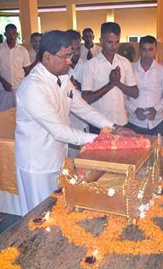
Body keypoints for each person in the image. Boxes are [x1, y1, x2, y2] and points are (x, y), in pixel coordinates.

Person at [15, 30, 134, 215]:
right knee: (39, 215)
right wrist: (103, 140)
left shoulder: (62, 78)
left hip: (57, 157)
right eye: (65, 56)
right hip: (38, 163)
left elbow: (83, 108)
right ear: (47, 56)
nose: (70, 61)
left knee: (57, 211)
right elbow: (60, 131)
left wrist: (114, 128)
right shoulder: (33, 87)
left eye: (70, 56)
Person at [82, 22, 139, 134]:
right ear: (101, 41)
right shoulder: (91, 65)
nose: (114, 46)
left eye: (117, 42)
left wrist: (117, 83)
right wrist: (111, 84)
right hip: (99, 125)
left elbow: (135, 93)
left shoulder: (124, 62)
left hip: (121, 122)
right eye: (109, 42)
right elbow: (86, 99)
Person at [126, 36, 163, 136]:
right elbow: (122, 96)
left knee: (156, 151)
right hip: (134, 122)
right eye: (144, 50)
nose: (147, 53)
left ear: (156, 50)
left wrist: (156, 109)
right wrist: (135, 109)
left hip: (157, 122)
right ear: (139, 50)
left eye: (150, 49)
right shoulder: (129, 69)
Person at [0, 24, 30, 112]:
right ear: (5, 34)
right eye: (9, 34)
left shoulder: (23, 50)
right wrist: (4, 82)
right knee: (4, 114)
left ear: (17, 34)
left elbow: (27, 71)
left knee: (21, 114)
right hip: (5, 89)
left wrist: (24, 85)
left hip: (20, 89)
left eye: (14, 34)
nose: (12, 36)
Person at [65, 29, 89, 134]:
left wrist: (80, 86)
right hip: (66, 123)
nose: (76, 53)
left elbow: (92, 94)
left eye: (78, 48)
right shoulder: (59, 69)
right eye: (72, 49)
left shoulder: (87, 66)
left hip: (83, 122)